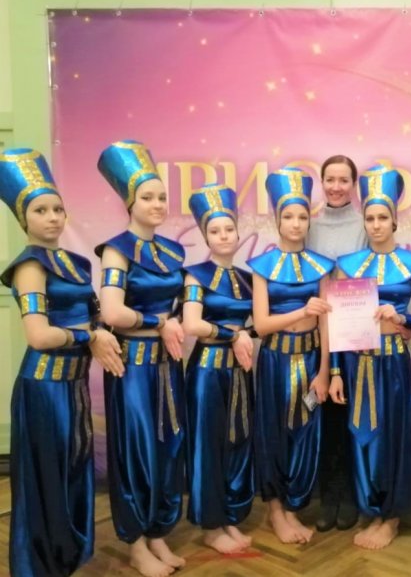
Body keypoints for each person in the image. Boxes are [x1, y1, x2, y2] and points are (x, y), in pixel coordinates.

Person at [0, 148, 122, 577]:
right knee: (46, 479)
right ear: (23, 217)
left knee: (73, 470)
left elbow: (93, 315)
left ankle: (65, 560)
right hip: (44, 389)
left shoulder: (76, 263)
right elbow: (39, 335)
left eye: (57, 208)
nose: (52, 217)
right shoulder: (28, 266)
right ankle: (38, 566)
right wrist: (90, 336)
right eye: (40, 210)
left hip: (73, 386)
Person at [95, 141, 187, 577]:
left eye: (162, 196)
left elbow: (180, 308)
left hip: (167, 365)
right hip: (132, 367)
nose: (157, 204)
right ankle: (134, 543)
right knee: (136, 451)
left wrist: (177, 323)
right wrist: (159, 322)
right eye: (147, 197)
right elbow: (112, 313)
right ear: (130, 203)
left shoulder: (172, 251)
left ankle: (157, 533)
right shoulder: (117, 249)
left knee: (168, 447)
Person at [331, 164, 411, 550]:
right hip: (357, 362)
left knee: (393, 437)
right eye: (370, 218)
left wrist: (401, 317)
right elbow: (337, 323)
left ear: (394, 220)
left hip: (392, 362)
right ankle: (372, 509)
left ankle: (391, 517)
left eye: (382, 218)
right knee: (361, 436)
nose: (375, 225)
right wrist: (336, 372)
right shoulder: (348, 265)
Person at [247, 167, 335, 544]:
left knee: (306, 432)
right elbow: (262, 325)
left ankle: (294, 507)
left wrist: (325, 371)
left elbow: (326, 323)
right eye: (288, 216)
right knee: (274, 433)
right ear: (277, 220)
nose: (296, 223)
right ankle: (275, 511)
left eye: (302, 216)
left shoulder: (321, 266)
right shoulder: (262, 267)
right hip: (275, 364)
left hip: (311, 362)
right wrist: (301, 311)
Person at [182, 185, 255, 553]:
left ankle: (229, 517)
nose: (224, 236)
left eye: (229, 229)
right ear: (205, 235)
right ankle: (210, 526)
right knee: (207, 446)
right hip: (208, 373)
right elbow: (192, 323)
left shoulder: (246, 278)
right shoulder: (196, 275)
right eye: (215, 230)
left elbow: (255, 325)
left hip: (239, 372)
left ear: (238, 233)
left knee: (236, 442)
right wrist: (233, 334)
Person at [306, 155, 367, 532]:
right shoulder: (308, 225)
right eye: (330, 179)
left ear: (354, 185)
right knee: (323, 415)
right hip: (317, 333)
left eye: (344, 180)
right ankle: (328, 496)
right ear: (322, 181)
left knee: (351, 417)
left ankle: (351, 495)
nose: (336, 187)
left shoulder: (366, 224)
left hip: (355, 333)